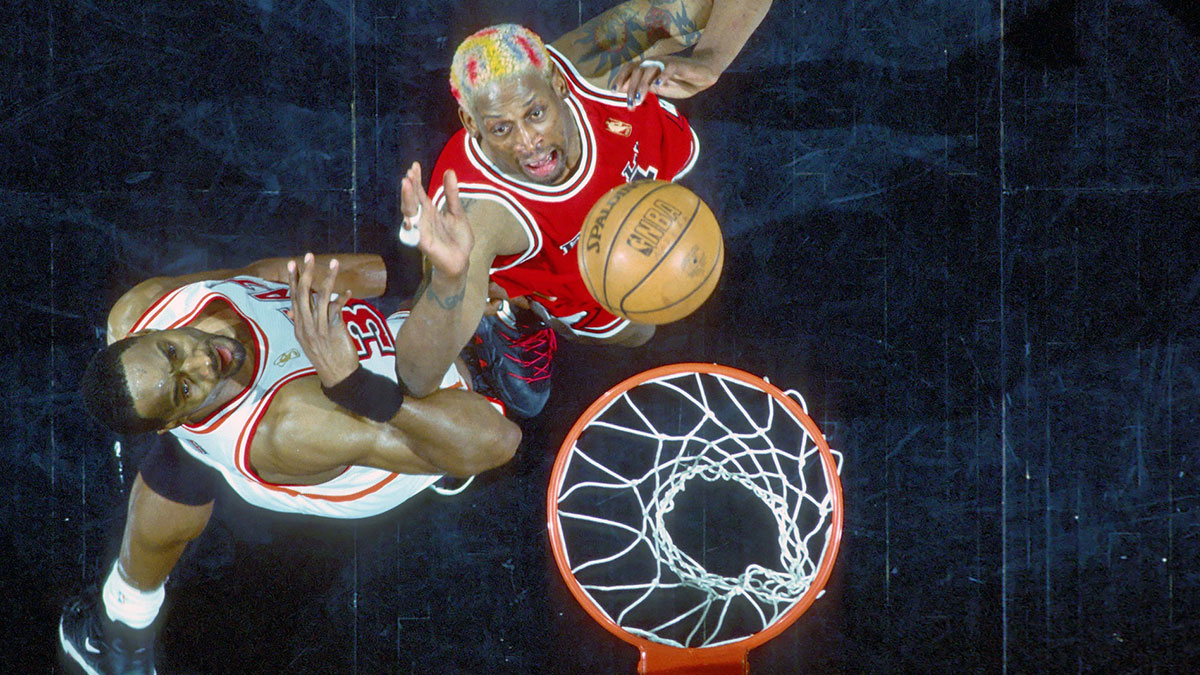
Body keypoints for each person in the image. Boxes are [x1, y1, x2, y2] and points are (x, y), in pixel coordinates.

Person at [59, 252, 520, 674]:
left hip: (365, 358)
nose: (203, 362)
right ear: (173, 420)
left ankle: (120, 624)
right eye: (184, 390)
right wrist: (355, 386)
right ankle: (121, 631)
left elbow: (265, 277)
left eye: (172, 351)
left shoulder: (143, 306)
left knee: (185, 464)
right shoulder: (288, 427)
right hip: (389, 445)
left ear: (149, 331)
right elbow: (495, 444)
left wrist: (417, 269)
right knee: (468, 391)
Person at [394, 0, 773, 419]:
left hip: (640, 177)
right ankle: (518, 309)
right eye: (501, 129)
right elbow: (415, 378)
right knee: (637, 329)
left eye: (535, 114)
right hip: (560, 257)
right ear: (470, 123)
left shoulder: (591, 63)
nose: (527, 143)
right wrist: (450, 280)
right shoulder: (476, 213)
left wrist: (711, 57)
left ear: (558, 83)